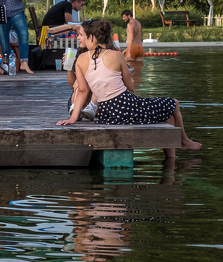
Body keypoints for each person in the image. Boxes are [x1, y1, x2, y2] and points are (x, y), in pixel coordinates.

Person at [57, 19, 201, 158]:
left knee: (168, 117)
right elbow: (129, 87)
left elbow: (82, 91)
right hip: (126, 106)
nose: (81, 39)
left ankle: (174, 156)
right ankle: (183, 143)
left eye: (83, 36)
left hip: (107, 115)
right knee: (173, 103)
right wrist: (134, 103)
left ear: (91, 38)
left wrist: (73, 118)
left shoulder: (81, 59)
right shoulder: (117, 55)